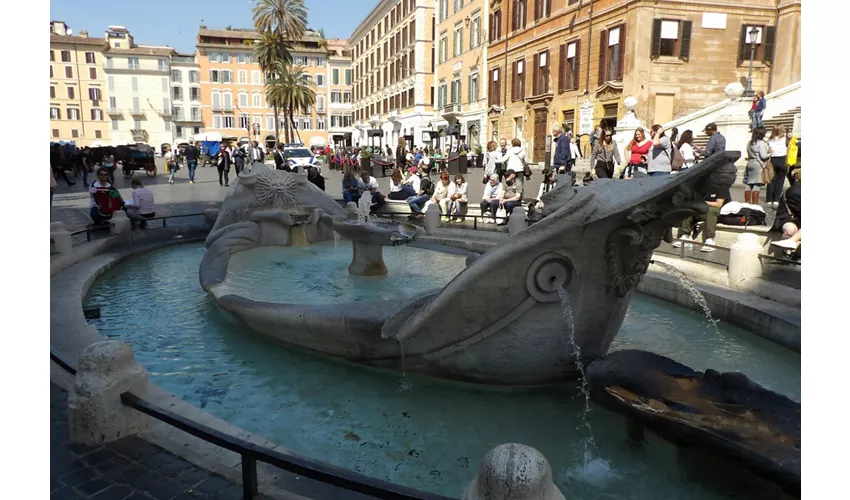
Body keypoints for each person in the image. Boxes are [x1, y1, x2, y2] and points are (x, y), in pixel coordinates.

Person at [673, 180, 730, 252]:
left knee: (710, 210)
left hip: (720, 213)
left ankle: (710, 239)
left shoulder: (722, 187)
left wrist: (703, 202)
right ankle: (685, 235)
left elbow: (718, 204)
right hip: (705, 211)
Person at [770, 169, 801, 252]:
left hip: (798, 219)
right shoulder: (796, 191)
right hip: (787, 218)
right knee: (790, 230)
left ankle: (791, 243)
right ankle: (786, 251)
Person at [744, 126, 769, 206]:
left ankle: (747, 202)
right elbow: (763, 156)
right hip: (758, 165)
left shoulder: (750, 142)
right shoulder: (761, 143)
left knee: (749, 184)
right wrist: (770, 153)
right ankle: (755, 205)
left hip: (750, 163)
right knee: (757, 185)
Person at [766, 125, 788, 208]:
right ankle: (776, 200)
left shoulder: (770, 140)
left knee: (771, 180)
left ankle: (769, 199)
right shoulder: (785, 139)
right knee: (780, 181)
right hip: (782, 159)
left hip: (773, 160)